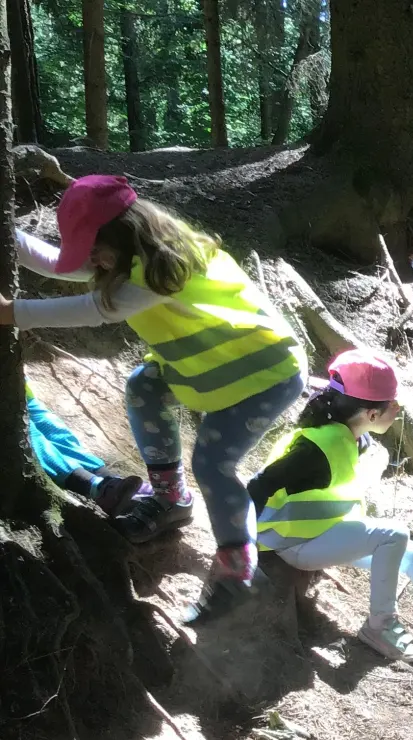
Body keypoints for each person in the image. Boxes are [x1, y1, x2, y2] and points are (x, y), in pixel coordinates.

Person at [0, 176, 307, 611]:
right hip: (205, 367)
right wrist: (8, 236)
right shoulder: (127, 257)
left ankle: (237, 561)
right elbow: (58, 263)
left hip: (263, 375)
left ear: (122, 237)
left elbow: (95, 310)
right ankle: (169, 499)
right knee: (144, 385)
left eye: (94, 250)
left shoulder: (166, 268)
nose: (91, 262)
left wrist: (12, 313)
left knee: (214, 464)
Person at [250, 350, 413, 669]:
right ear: (371, 414)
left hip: (320, 532)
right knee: (393, 535)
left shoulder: (352, 437)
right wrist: (242, 545)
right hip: (292, 544)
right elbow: (257, 486)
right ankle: (380, 626)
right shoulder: (313, 450)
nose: (397, 410)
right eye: (392, 404)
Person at [25, 380, 143, 515]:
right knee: (28, 433)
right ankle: (98, 488)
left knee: (54, 428)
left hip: (17, 392)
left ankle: (111, 481)